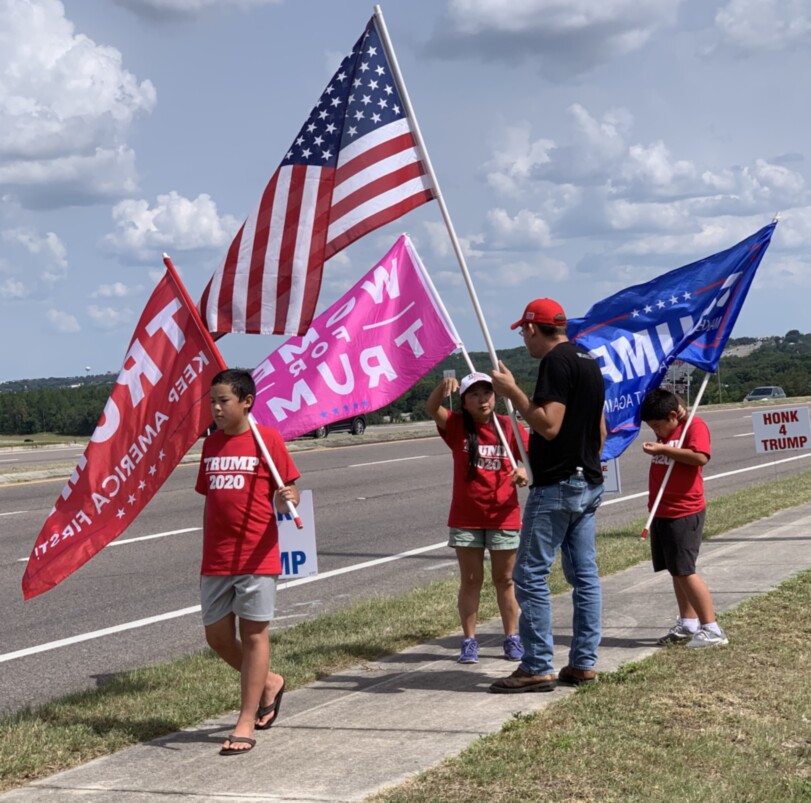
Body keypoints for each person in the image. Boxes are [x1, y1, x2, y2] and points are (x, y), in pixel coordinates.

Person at [489, 298, 606, 693]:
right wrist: (586, 458)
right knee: (584, 576)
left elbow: (548, 425)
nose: (523, 340)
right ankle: (583, 662)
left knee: (529, 575)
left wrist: (514, 393)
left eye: (523, 332)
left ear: (534, 328)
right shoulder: (588, 360)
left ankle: (537, 664)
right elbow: (601, 428)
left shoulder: (555, 363)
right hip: (588, 480)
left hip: (558, 484)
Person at [195, 368, 301, 755]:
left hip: (257, 553)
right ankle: (270, 681)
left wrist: (286, 497)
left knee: (255, 634)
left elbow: (289, 493)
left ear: (246, 402)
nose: (217, 409)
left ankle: (245, 719)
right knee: (217, 636)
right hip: (217, 558)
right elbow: (211, 500)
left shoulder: (267, 439)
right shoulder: (210, 446)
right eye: (212, 402)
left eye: (223, 401)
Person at [426, 372, 529, 664]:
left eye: (487, 393)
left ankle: (511, 637)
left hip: (504, 516)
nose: (482, 399)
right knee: (471, 581)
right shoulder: (457, 426)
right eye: (474, 394)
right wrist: (441, 387)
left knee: (505, 580)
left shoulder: (508, 426)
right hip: (467, 518)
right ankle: (469, 641)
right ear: (464, 402)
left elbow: (532, 460)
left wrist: (524, 472)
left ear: (496, 396)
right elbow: (432, 409)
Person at [640, 388, 728, 648]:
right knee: (675, 571)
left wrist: (664, 449)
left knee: (685, 570)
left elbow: (700, 457)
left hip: (684, 511)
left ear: (672, 416)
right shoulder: (666, 426)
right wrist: (662, 442)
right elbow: (667, 398)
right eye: (651, 427)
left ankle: (711, 628)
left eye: (658, 425)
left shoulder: (694, 426)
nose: (657, 431)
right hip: (662, 510)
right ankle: (688, 622)